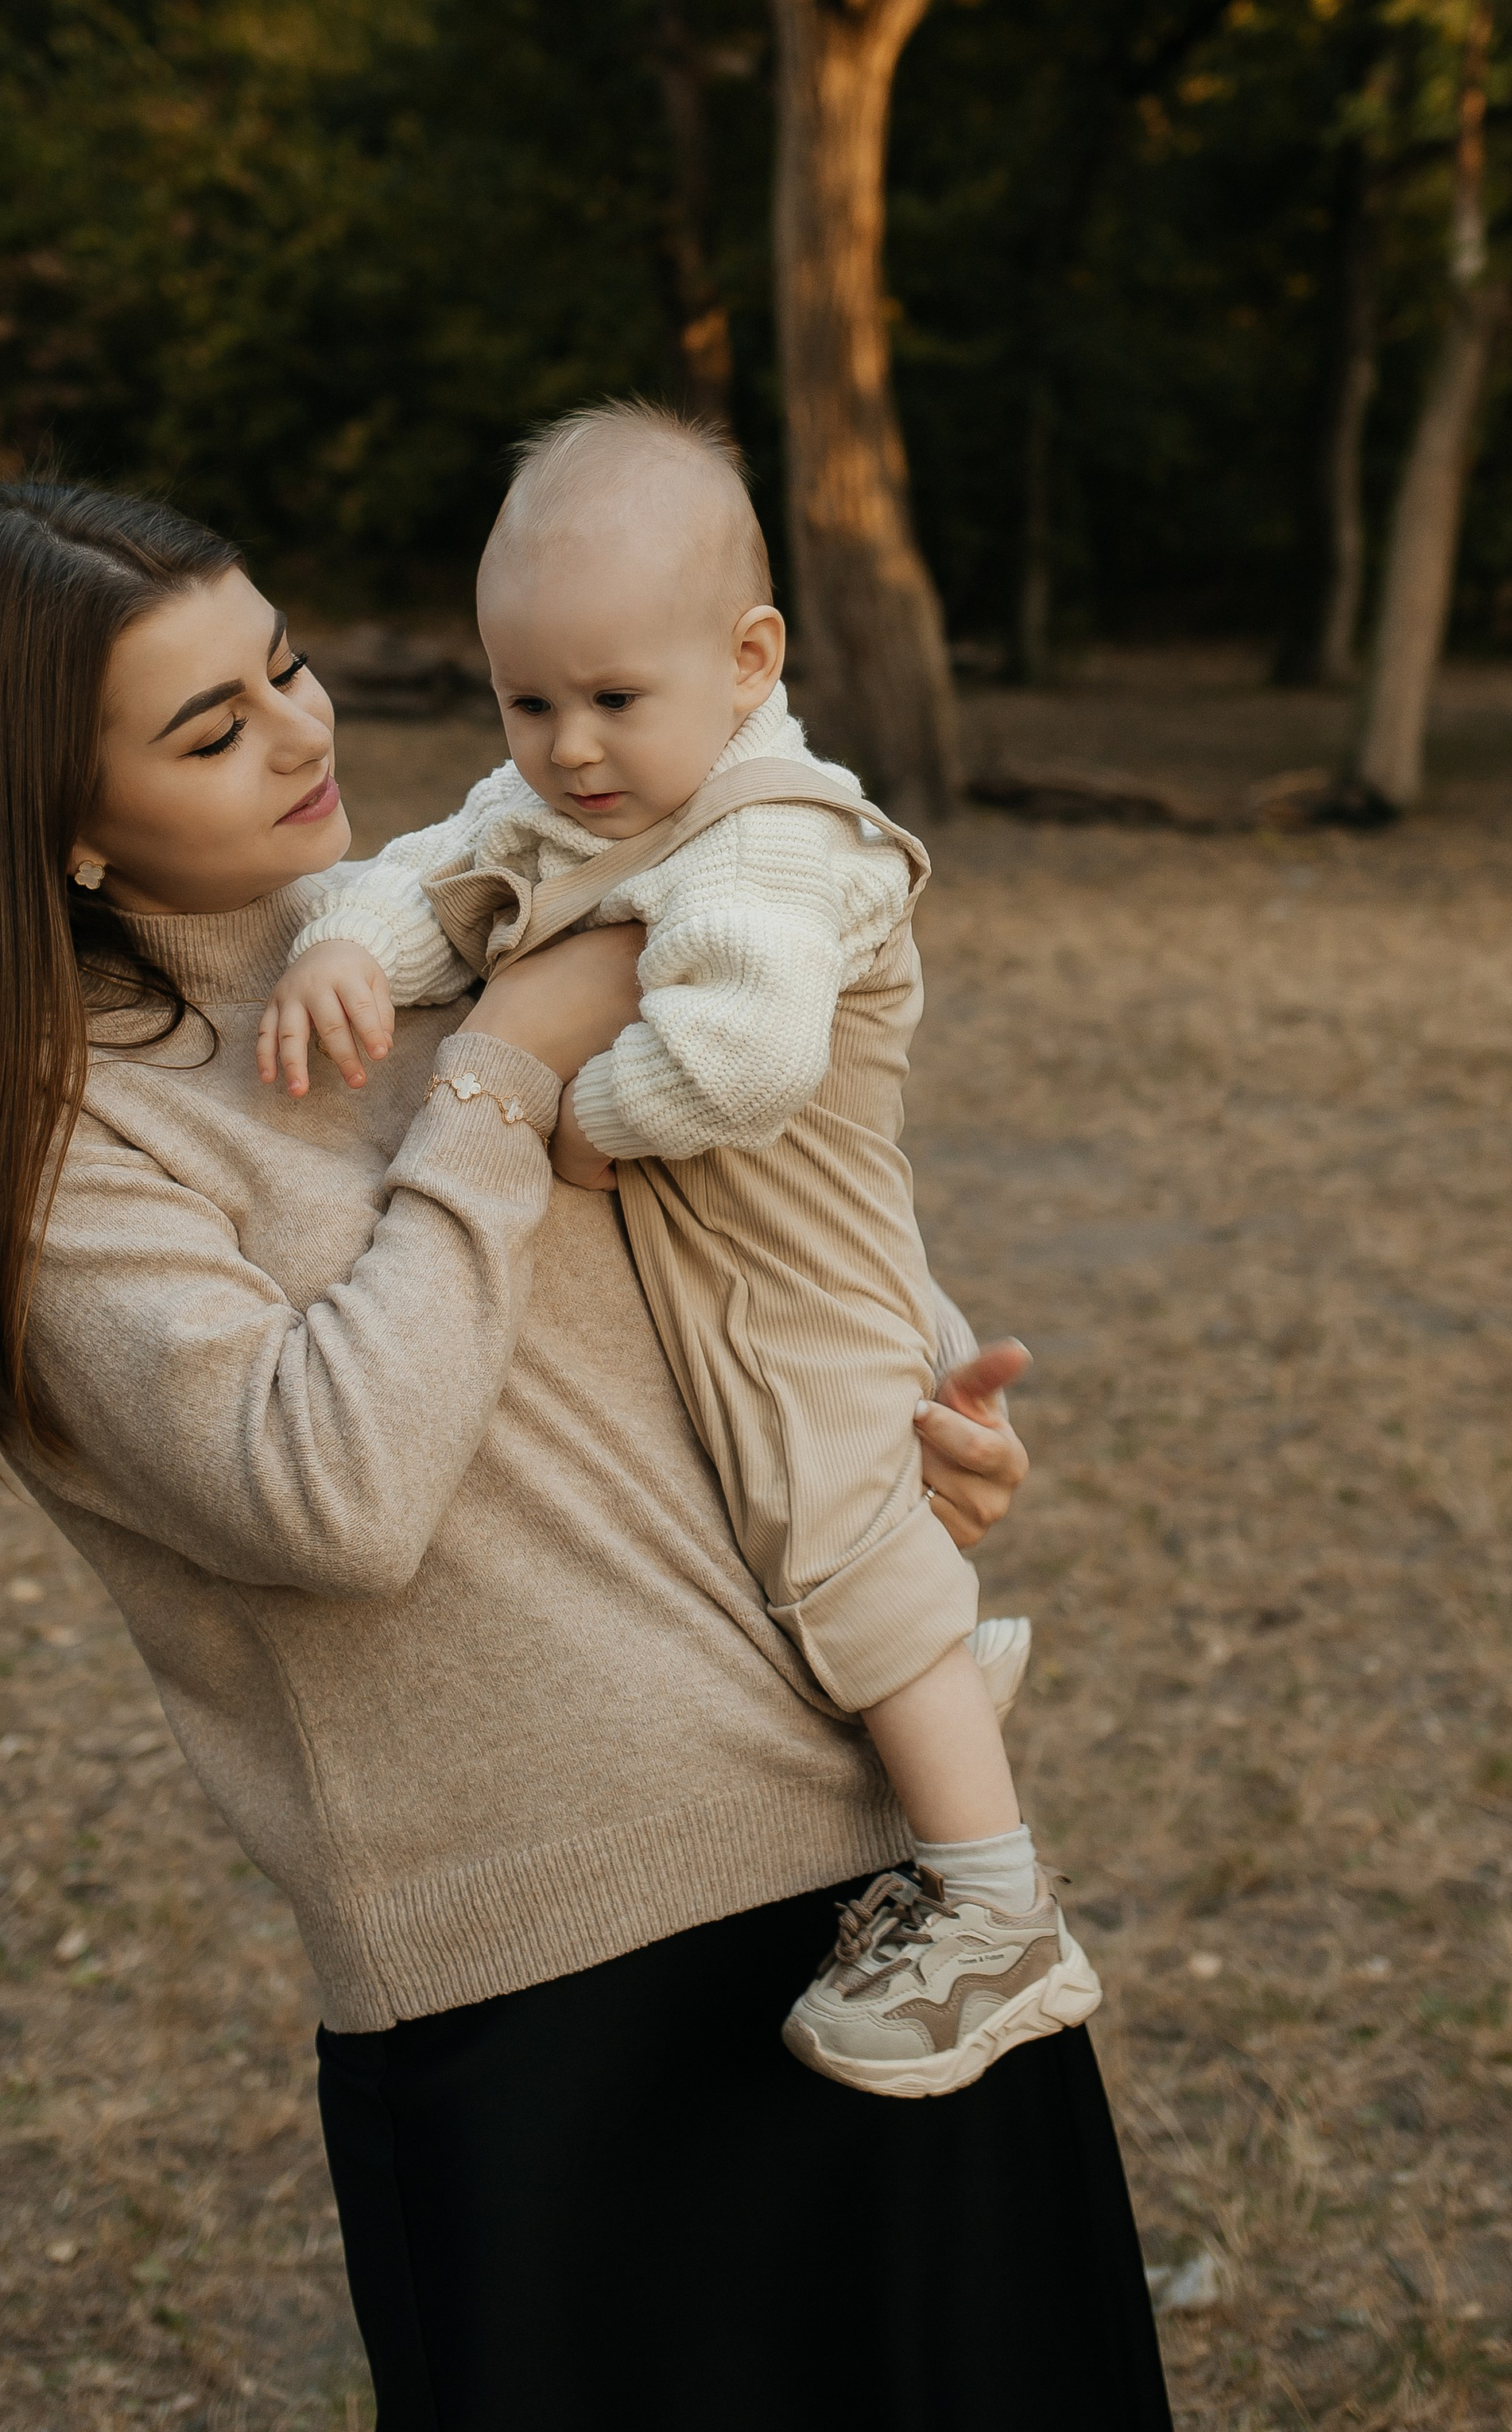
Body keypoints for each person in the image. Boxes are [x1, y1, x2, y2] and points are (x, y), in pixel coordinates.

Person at [0, 479, 1172, 2430]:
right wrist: (501, 1076)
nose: (302, 731)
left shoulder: (463, 927)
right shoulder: (62, 1144)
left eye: (282, 666)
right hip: (541, 1997)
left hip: (874, 1892)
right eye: (211, 728)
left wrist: (907, 1421)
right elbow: (330, 1492)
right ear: (58, 820)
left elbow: (714, 1271)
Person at [263, 401, 1094, 2097]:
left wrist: (576, 1119)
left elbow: (743, 1055)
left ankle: (1000, 1919)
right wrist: (342, 947)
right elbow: (423, 875)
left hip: (803, 1284)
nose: (567, 749)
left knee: (836, 1540)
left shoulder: (772, 841)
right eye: (528, 700)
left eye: (612, 700)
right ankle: (913, 1667)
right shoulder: (573, 803)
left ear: (747, 658)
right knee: (798, 1534)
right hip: (738, 1282)